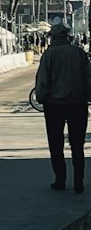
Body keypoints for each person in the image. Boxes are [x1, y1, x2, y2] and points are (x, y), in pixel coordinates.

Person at [34, 22, 91, 193]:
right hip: (77, 105)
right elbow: (88, 77)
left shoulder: (49, 55)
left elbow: (42, 81)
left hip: (54, 106)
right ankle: (79, 182)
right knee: (77, 145)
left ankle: (60, 180)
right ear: (67, 36)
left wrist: (41, 98)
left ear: (53, 37)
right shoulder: (78, 53)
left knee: (56, 144)